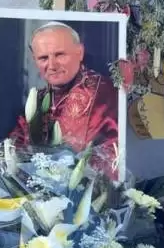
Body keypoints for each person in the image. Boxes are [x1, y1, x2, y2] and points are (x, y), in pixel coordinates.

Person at [10, 21, 119, 178]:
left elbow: (111, 156)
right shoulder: (38, 99)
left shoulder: (103, 92)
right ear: (35, 60)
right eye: (43, 58)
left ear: (79, 52)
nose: (52, 65)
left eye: (60, 55)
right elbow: (17, 147)